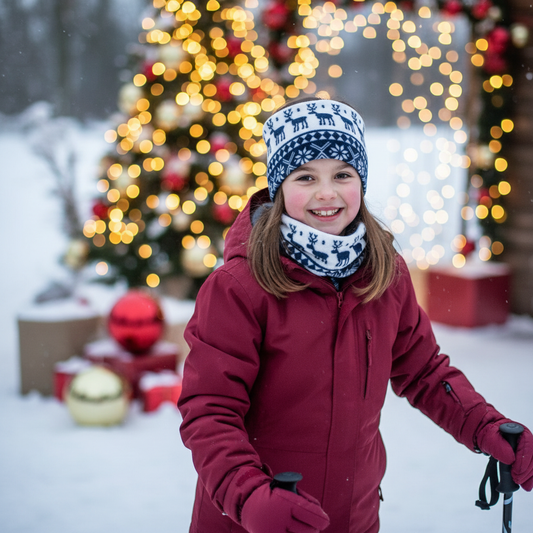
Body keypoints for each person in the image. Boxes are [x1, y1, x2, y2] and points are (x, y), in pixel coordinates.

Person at [178, 97, 533, 533]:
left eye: (342, 175)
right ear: (278, 186)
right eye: (305, 176)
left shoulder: (384, 273)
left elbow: (422, 371)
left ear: (360, 182)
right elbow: (210, 410)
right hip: (256, 519)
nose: (326, 193)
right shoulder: (239, 287)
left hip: (354, 517)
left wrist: (485, 426)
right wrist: (250, 496)